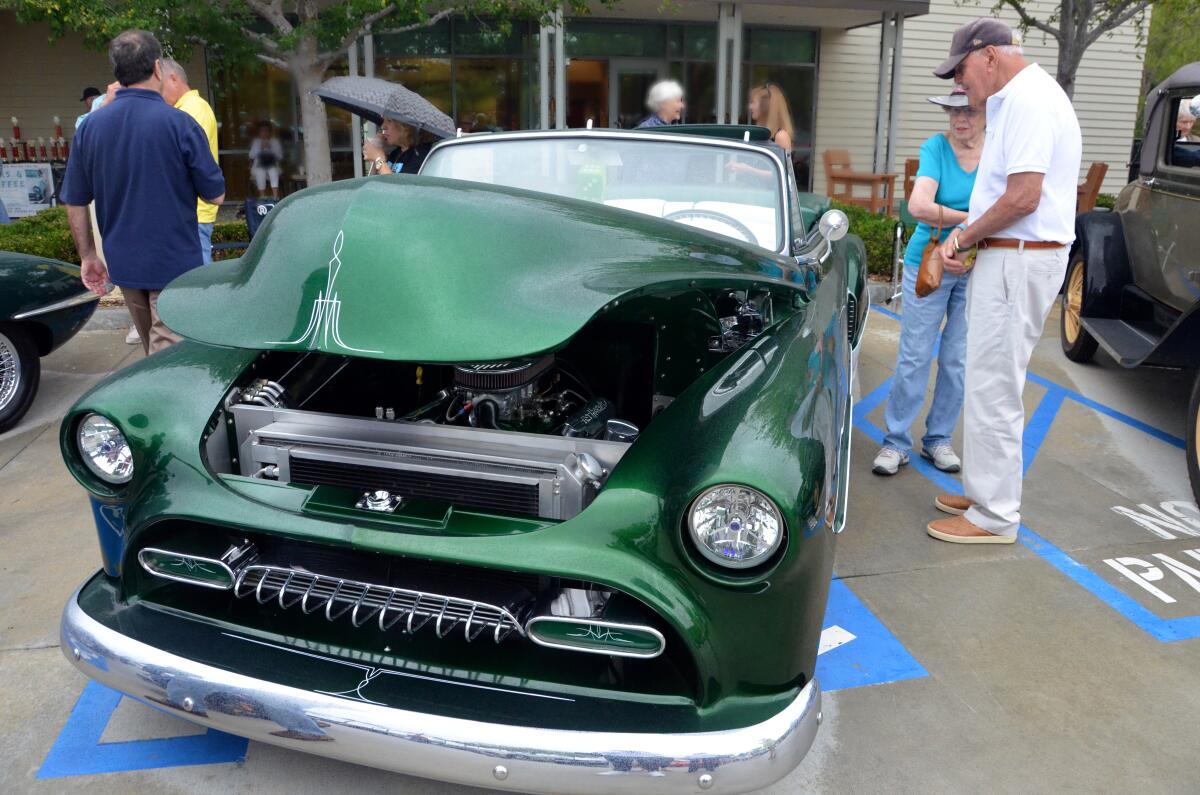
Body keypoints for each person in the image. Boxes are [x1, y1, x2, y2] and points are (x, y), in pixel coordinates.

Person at [927, 19, 1081, 544]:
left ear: (989, 56)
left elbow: (1023, 197)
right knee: (989, 379)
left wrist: (963, 239)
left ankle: (993, 517)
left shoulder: (1027, 100)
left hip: (1021, 256)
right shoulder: (1022, 96)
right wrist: (978, 244)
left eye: (962, 71)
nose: (960, 85)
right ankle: (984, 491)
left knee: (994, 384)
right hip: (1015, 254)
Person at [60, 29, 225, 356]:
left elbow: (75, 199)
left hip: (126, 265)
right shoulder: (180, 124)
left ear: (117, 72)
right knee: (168, 363)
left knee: (153, 352)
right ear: (158, 68)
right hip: (175, 265)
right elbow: (215, 196)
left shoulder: (90, 128)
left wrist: (88, 256)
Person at [872, 86, 983, 477]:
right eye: (953, 111)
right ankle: (896, 441)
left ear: (985, 112)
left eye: (968, 110)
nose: (960, 119)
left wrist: (968, 237)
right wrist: (973, 220)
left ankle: (938, 439)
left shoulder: (998, 152)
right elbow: (918, 206)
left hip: (976, 266)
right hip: (930, 264)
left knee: (956, 360)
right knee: (915, 354)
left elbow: (1010, 208)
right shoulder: (935, 147)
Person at [160, 58, 220, 265]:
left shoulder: (192, 109)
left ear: (173, 78)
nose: (158, 94)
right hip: (192, 210)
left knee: (196, 281)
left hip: (195, 212)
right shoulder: (189, 108)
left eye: (160, 87)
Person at [362, 118, 432, 175]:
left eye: (389, 120)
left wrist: (378, 158)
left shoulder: (421, 154)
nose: (383, 126)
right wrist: (377, 150)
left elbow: (396, 189)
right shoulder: (395, 153)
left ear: (406, 126)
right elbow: (376, 182)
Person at [747, 83, 794, 151]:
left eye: (753, 102)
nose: (750, 107)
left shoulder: (781, 137)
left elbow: (782, 161)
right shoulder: (760, 133)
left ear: (765, 106)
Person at [249, 121, 284, 199]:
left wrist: (270, 148)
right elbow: (251, 155)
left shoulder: (275, 141)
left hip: (272, 164)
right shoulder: (256, 142)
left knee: (273, 171)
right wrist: (260, 148)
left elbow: (280, 156)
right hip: (259, 165)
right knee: (260, 173)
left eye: (266, 130)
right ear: (259, 132)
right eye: (262, 131)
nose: (264, 133)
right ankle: (262, 196)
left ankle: (275, 196)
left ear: (269, 132)